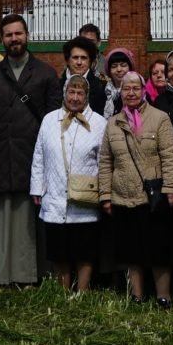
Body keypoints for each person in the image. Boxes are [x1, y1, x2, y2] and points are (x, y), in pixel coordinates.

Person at [0, 12, 62, 292]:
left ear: (27, 35)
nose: (14, 39)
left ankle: (26, 275)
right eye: (9, 35)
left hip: (31, 157)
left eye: (18, 33)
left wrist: (49, 162)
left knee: (26, 221)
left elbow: (53, 123)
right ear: (2, 39)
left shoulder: (46, 73)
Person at [99, 70, 173, 307]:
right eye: (126, 88)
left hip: (153, 197)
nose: (131, 93)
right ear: (120, 92)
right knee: (130, 250)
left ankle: (163, 296)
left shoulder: (159, 118)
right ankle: (136, 296)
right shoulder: (113, 123)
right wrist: (105, 195)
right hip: (123, 196)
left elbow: (170, 156)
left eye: (136, 88)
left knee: (159, 250)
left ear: (144, 90)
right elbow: (105, 161)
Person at [31, 74, 106, 292]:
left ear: (87, 96)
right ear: (64, 93)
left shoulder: (99, 123)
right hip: (54, 194)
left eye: (79, 93)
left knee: (85, 247)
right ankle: (63, 289)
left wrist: (104, 193)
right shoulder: (49, 120)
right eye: (71, 92)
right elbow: (39, 156)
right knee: (58, 247)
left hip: (85, 198)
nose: (74, 98)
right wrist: (37, 187)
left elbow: (104, 160)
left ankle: (83, 290)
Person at [63, 37, 106, 114]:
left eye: (83, 58)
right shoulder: (55, 85)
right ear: (67, 60)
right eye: (75, 57)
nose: (79, 62)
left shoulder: (102, 87)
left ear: (91, 62)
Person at [101, 48, 136, 116]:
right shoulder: (102, 91)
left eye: (123, 65)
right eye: (114, 66)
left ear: (130, 67)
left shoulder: (138, 91)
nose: (119, 69)